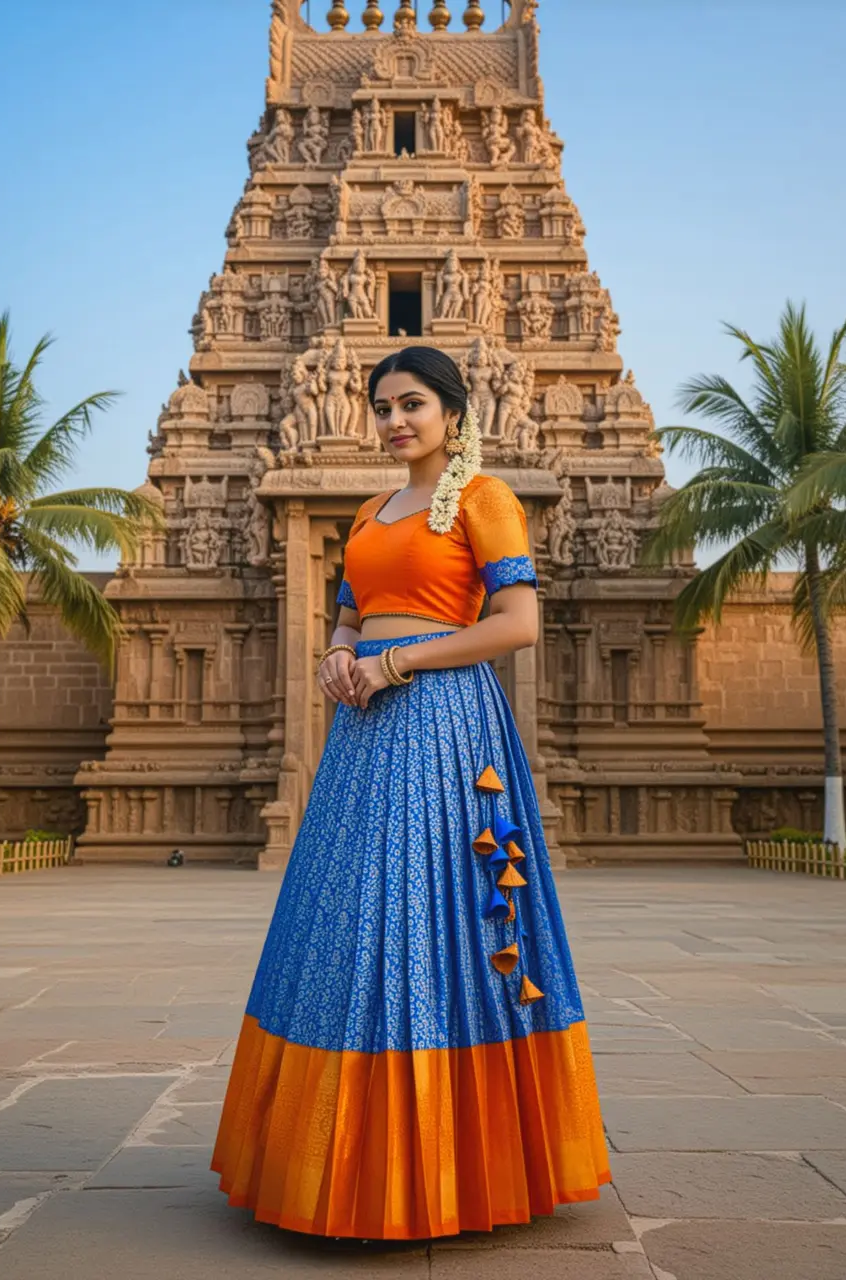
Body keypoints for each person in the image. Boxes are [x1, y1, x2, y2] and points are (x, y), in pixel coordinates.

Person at [211, 346, 611, 1240]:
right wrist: (338, 653)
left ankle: (445, 1168)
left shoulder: (484, 499)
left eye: (413, 404)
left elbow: (517, 624)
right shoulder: (369, 510)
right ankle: (339, 1162)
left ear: (453, 413)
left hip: (444, 723)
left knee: (434, 916)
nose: (395, 421)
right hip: (363, 731)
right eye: (383, 406)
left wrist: (398, 662)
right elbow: (349, 612)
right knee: (349, 916)